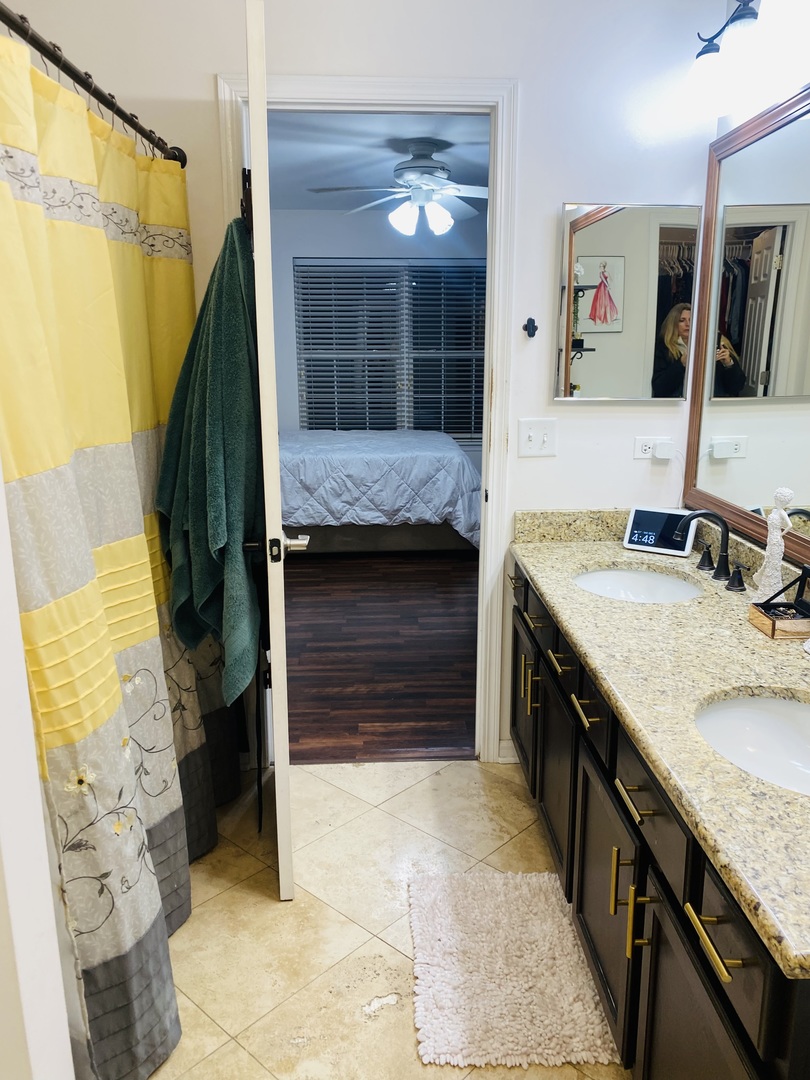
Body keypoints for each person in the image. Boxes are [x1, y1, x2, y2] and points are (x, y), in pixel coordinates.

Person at [651, 302, 691, 397]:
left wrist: (726, 364)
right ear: (673, 324)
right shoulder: (663, 348)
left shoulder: (707, 347)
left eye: (691, 320)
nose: (688, 324)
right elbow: (659, 386)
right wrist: (681, 363)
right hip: (674, 403)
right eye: (682, 320)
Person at [589, 260, 619, 325]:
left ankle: (607, 316)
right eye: (600, 266)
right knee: (600, 300)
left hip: (605, 287)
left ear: (604, 267)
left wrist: (609, 285)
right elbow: (604, 280)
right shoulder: (600, 273)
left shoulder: (607, 272)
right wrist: (608, 286)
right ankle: (600, 316)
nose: (600, 267)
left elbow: (611, 280)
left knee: (606, 300)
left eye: (601, 266)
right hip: (601, 287)